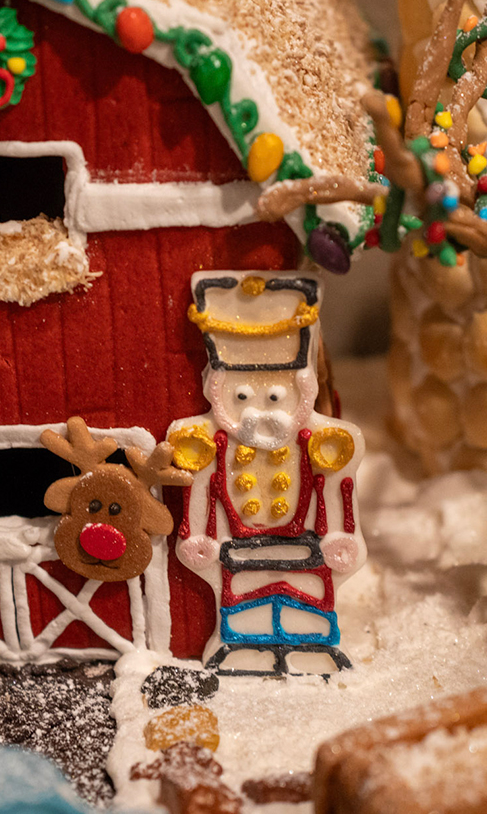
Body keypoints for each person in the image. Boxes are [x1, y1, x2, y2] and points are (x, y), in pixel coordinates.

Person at [167, 272, 365, 675]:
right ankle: (243, 649)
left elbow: (337, 490)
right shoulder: (207, 443)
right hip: (237, 548)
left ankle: (310, 649)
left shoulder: (320, 441)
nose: (258, 408)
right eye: (242, 396)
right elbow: (200, 490)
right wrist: (198, 536)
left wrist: (341, 536)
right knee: (243, 603)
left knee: (307, 599)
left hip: (304, 543)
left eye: (274, 395)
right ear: (219, 392)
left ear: (299, 392)